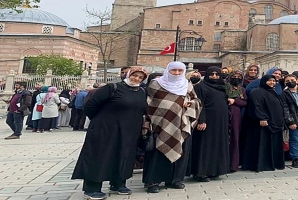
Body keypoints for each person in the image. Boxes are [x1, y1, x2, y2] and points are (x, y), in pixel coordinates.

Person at [71, 66, 149, 200]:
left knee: (124, 156)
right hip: (105, 130)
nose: (136, 79)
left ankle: (118, 183)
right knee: (100, 157)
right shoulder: (112, 88)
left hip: (129, 132)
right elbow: (90, 105)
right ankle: (92, 188)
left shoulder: (141, 91)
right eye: (134, 75)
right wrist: (100, 121)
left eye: (140, 77)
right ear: (128, 75)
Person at [143, 62, 202, 193]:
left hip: (181, 124)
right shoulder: (155, 84)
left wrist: (190, 104)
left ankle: (174, 180)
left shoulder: (187, 85)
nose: (176, 73)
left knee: (180, 151)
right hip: (160, 124)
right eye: (173, 70)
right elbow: (149, 102)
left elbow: (196, 101)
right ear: (168, 70)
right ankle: (153, 181)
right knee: (158, 152)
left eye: (180, 71)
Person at [190, 67, 230, 181]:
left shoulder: (221, 88)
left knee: (217, 145)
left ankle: (214, 170)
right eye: (211, 74)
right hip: (207, 122)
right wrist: (202, 120)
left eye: (217, 74)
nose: (214, 76)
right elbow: (199, 104)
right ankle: (200, 172)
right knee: (205, 146)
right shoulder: (200, 87)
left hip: (219, 122)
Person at [242, 74, 286, 172]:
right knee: (262, 144)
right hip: (263, 124)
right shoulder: (257, 92)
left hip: (274, 123)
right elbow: (256, 106)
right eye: (269, 81)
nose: (272, 83)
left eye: (274, 81)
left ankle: (273, 163)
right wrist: (262, 118)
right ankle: (261, 164)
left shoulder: (273, 92)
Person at [227, 70, 247, 172]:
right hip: (224, 114)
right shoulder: (224, 88)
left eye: (238, 76)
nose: (236, 78)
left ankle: (233, 165)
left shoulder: (242, 90)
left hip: (236, 116)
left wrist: (235, 101)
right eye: (234, 76)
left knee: (235, 138)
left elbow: (245, 102)